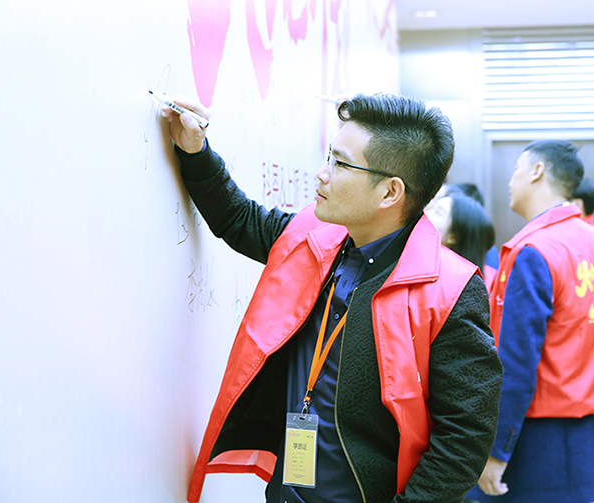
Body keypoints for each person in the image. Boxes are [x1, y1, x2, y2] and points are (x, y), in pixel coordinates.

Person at [161, 93, 503, 503]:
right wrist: (195, 152)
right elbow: (239, 219)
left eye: (340, 163)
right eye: (329, 157)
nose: (322, 174)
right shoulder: (314, 238)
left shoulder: (450, 289)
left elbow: (465, 437)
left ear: (390, 192)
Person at [467, 140, 594, 503]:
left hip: (541, 439)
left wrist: (497, 450)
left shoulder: (536, 251)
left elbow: (516, 360)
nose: (510, 182)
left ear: (537, 171)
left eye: (516, 170)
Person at [425, 190, 497, 285]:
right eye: (431, 207)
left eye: (438, 212)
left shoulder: (455, 287)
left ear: (452, 238)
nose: (425, 212)